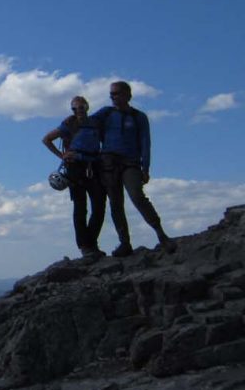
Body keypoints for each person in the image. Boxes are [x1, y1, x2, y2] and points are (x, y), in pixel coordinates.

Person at [92, 80, 175, 257]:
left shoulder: (139, 117)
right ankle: (125, 243)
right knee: (115, 203)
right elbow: (85, 125)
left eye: (116, 93)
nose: (112, 97)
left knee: (137, 196)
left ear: (127, 95)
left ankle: (161, 234)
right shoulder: (105, 113)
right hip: (108, 162)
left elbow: (145, 142)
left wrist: (146, 168)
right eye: (111, 94)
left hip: (131, 162)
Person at [43, 96, 106, 258]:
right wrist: (62, 156)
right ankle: (86, 247)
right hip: (75, 167)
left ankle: (90, 242)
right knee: (80, 207)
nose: (78, 111)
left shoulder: (95, 123)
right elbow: (47, 139)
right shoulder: (69, 124)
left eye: (81, 107)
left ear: (87, 107)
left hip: (93, 166)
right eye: (74, 108)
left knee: (99, 205)